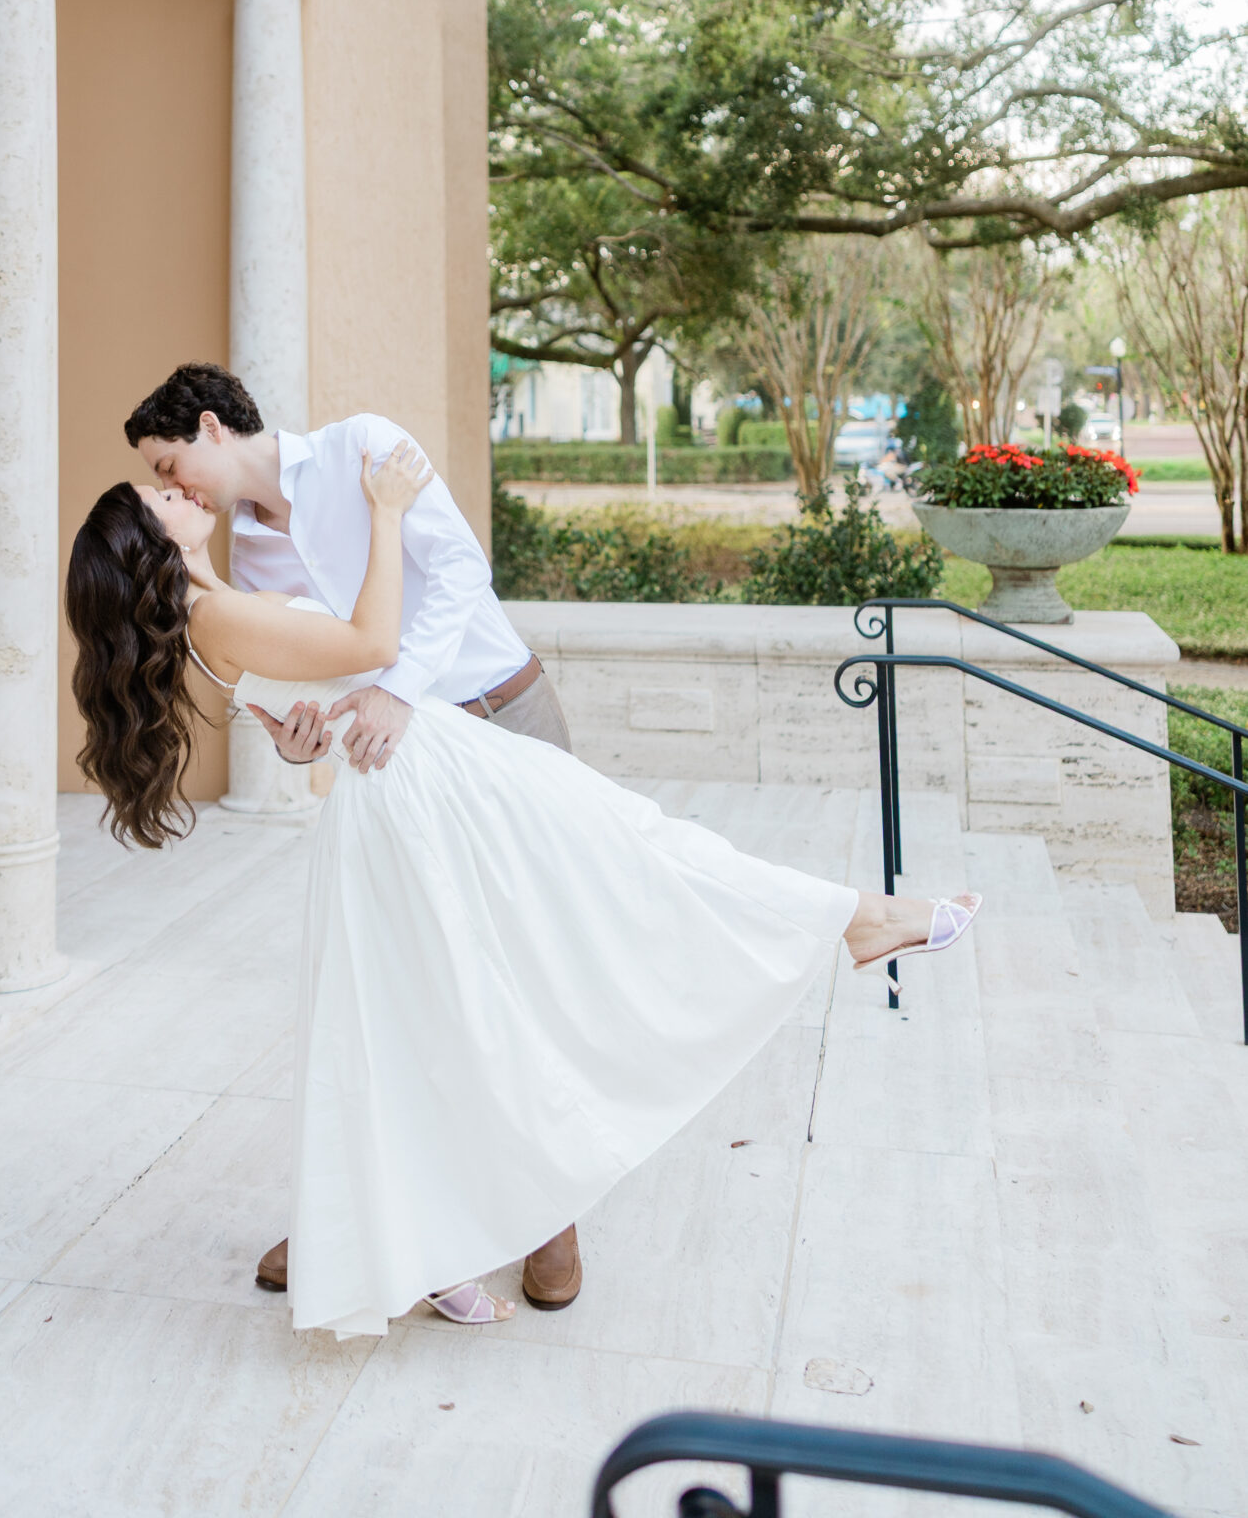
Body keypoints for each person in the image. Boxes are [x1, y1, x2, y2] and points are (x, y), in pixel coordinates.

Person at [66, 441, 983, 1342]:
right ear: (151, 547)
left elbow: (306, 707)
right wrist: (385, 515)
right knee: (617, 877)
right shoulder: (213, 614)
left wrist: (303, 739)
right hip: (425, 790)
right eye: (157, 497)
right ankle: (856, 919)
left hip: (429, 779)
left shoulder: (220, 604)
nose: (171, 489)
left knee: (478, 986)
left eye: (164, 476)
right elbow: (373, 643)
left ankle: (443, 1250)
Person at [125, 363, 584, 1309]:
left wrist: (395, 691)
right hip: (402, 773)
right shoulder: (243, 561)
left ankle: (550, 1217)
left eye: (172, 464)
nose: (175, 489)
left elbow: (462, 571)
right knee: (419, 986)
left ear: (212, 426)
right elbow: (308, 691)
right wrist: (300, 748)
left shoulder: (363, 447)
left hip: (500, 713)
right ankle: (375, 1212)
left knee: (524, 970)